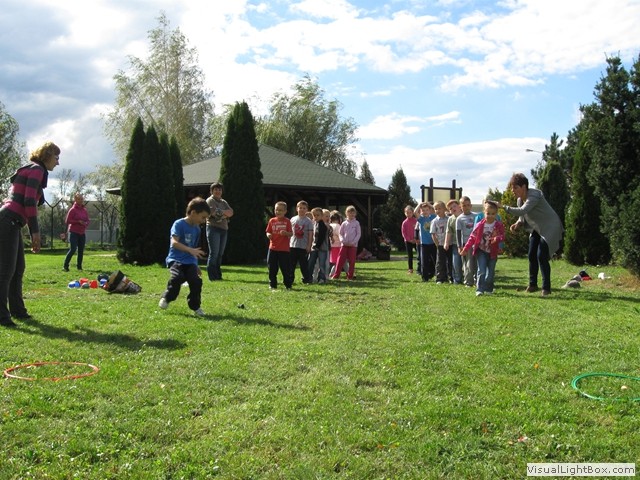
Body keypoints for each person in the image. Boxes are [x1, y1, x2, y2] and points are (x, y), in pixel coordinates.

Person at [0, 141, 60, 327]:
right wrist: (35, 232)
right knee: (5, 271)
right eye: (56, 157)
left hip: (13, 222)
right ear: (47, 155)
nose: (58, 162)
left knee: (18, 269)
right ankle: (2, 316)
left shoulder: (33, 169)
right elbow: (28, 201)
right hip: (8, 221)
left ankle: (18, 311)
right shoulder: (37, 170)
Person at [501, 173, 563, 297]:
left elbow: (523, 210)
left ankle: (546, 288)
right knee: (531, 254)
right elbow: (522, 215)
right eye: (512, 188)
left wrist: (502, 207)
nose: (512, 191)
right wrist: (518, 223)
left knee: (541, 255)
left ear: (524, 187)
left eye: (515, 188)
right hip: (537, 228)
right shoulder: (520, 200)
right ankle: (533, 284)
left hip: (550, 226)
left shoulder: (534, 195)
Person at [158, 197, 210, 316]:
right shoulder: (179, 224)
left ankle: (196, 307)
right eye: (203, 217)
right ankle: (167, 298)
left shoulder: (197, 229)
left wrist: (196, 265)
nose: (204, 221)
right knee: (177, 278)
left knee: (196, 281)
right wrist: (189, 250)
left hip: (190, 261)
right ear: (193, 213)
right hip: (176, 259)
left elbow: (194, 249)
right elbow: (174, 243)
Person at [460, 201, 505, 297]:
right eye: (488, 213)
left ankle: (488, 288)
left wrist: (497, 239)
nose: (490, 216)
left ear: (496, 214)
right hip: (481, 250)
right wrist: (465, 249)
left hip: (492, 251)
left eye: (493, 214)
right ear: (484, 213)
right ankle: (479, 289)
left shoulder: (498, 225)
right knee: (481, 270)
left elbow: (502, 236)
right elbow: (472, 237)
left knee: (491, 271)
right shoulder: (480, 225)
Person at [205, 182, 233, 281]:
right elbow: (214, 213)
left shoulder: (223, 202)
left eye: (219, 190)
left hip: (224, 230)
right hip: (213, 229)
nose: (218, 191)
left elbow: (231, 212)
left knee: (220, 254)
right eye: (216, 189)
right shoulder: (209, 201)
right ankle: (212, 276)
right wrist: (224, 214)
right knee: (214, 253)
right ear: (211, 191)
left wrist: (220, 212)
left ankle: (218, 275)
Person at [266, 201, 293, 290]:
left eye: (280, 210)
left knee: (285, 268)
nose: (278, 212)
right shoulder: (272, 220)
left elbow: (291, 233)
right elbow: (268, 231)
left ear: (285, 211)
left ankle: (288, 284)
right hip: (272, 248)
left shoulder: (287, 221)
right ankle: (272, 284)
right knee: (272, 268)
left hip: (284, 249)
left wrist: (286, 233)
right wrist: (269, 235)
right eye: (276, 210)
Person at [331, 205, 361, 280]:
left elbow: (358, 234)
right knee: (340, 260)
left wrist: (353, 242)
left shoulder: (356, 223)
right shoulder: (344, 223)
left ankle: (350, 276)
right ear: (346, 213)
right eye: (349, 212)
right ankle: (336, 275)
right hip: (344, 245)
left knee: (352, 261)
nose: (351, 214)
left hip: (353, 246)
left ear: (355, 214)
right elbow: (340, 233)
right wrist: (343, 241)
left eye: (353, 212)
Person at [63, 192, 89, 272]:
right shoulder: (72, 210)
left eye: (82, 199)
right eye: (79, 199)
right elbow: (67, 221)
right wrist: (78, 222)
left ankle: (79, 267)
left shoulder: (84, 210)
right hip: (74, 232)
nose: (81, 200)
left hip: (82, 233)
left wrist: (85, 223)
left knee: (81, 250)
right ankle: (65, 266)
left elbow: (88, 220)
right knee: (73, 249)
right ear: (75, 200)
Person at [289, 200, 313, 284]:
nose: (302, 209)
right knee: (291, 265)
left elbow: (310, 234)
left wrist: (309, 246)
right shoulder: (293, 219)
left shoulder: (308, 221)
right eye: (300, 208)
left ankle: (306, 279)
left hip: (303, 246)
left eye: (304, 208)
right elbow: (290, 232)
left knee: (304, 265)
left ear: (307, 209)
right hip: (293, 245)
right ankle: (290, 279)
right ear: (297, 208)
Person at [456, 196, 477, 287]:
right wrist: (459, 246)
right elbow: (458, 233)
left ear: (471, 206)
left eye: (468, 205)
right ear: (460, 207)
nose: (466, 207)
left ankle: (477, 281)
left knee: (476, 263)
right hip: (466, 244)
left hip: (476, 243)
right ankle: (468, 281)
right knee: (468, 263)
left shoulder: (476, 216)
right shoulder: (459, 219)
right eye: (464, 205)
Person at [307, 207, 329, 284]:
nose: (316, 217)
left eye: (318, 215)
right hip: (314, 247)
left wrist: (317, 246)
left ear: (322, 216)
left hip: (322, 248)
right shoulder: (314, 224)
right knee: (311, 262)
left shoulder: (322, 225)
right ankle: (309, 277)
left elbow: (321, 237)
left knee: (322, 264)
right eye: (314, 215)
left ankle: (322, 278)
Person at [416, 202, 436, 282]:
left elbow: (435, 209)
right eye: (423, 210)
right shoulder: (421, 219)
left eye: (427, 210)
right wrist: (420, 204)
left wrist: (429, 204)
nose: (425, 212)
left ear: (429, 210)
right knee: (424, 261)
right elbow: (415, 212)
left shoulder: (433, 217)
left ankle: (435, 274)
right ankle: (425, 277)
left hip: (433, 243)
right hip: (424, 244)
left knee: (435, 260)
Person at [430, 201, 449, 284]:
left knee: (449, 261)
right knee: (440, 262)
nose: (437, 210)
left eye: (439, 208)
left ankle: (450, 277)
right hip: (440, 244)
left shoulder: (448, 219)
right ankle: (440, 278)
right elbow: (433, 234)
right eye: (435, 209)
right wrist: (437, 244)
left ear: (444, 209)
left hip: (449, 243)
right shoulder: (434, 221)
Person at [445, 199, 462, 284]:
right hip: (456, 244)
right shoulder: (450, 219)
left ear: (459, 206)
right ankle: (457, 279)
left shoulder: (464, 216)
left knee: (468, 263)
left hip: (467, 243)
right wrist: (446, 243)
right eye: (450, 208)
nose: (453, 209)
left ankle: (469, 279)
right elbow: (449, 232)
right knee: (456, 263)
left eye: (454, 206)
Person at [401, 205, 418, 274]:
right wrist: (409, 240)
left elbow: (418, 230)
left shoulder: (416, 221)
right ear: (405, 213)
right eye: (407, 213)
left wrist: (415, 239)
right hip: (408, 241)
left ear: (413, 213)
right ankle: (410, 269)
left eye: (410, 212)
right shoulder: (404, 223)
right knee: (410, 256)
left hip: (416, 241)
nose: (409, 214)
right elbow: (404, 233)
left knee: (419, 255)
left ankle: (420, 268)